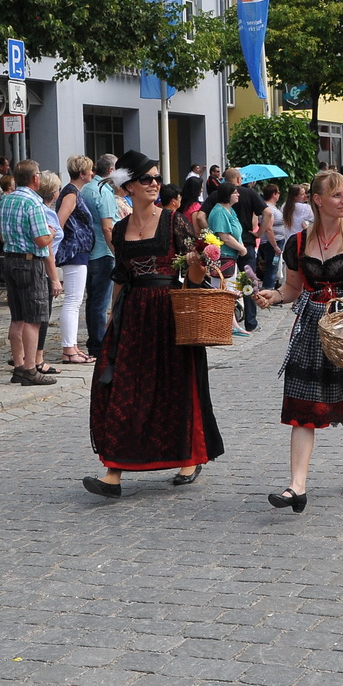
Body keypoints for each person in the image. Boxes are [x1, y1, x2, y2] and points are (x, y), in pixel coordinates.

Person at [253, 171, 343, 511]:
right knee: (303, 405)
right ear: (317, 200)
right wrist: (273, 296)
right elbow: (292, 289)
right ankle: (296, 486)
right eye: (337, 195)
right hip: (313, 327)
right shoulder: (298, 243)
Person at [84, 149, 222, 496]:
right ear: (128, 185)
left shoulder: (173, 220)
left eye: (157, 178)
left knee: (176, 388)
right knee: (118, 388)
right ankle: (113, 471)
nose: (154, 184)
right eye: (147, 178)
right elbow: (120, 275)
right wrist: (112, 317)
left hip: (167, 313)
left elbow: (192, 275)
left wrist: (199, 261)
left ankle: (189, 456)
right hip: (131, 315)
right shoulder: (119, 228)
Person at [0, 159, 60, 386]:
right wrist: (52, 234)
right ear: (35, 178)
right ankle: (30, 369)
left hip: (10, 260)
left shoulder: (7, 199)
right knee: (34, 319)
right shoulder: (33, 203)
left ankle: (18, 366)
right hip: (29, 261)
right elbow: (41, 239)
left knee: (17, 317)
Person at [52, 156, 97, 364]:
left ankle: (73, 346)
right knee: (73, 300)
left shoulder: (72, 192)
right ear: (82, 173)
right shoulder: (71, 193)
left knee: (75, 300)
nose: (92, 173)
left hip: (78, 250)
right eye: (90, 170)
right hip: (74, 251)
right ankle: (69, 349)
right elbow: (59, 223)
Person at [81, 155, 121, 359]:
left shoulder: (86, 188)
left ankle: (94, 341)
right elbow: (108, 226)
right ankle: (98, 345)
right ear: (112, 171)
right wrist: (116, 251)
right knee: (100, 301)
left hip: (90, 250)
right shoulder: (102, 191)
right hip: (103, 251)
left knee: (93, 300)